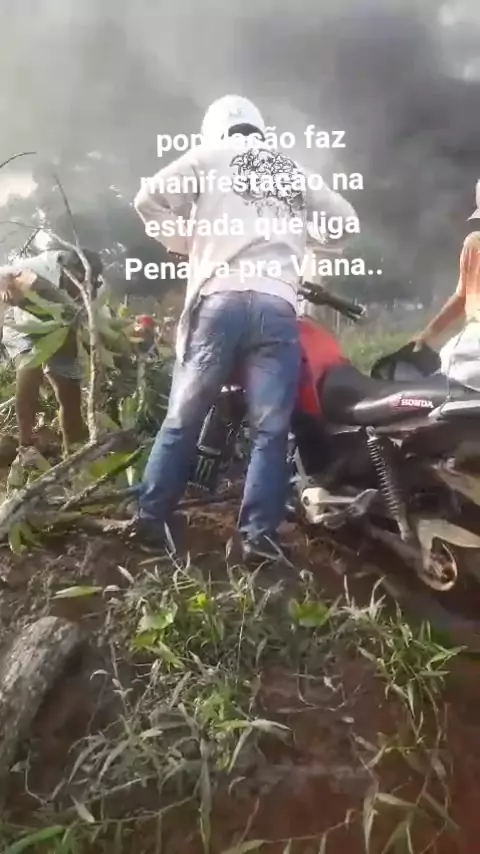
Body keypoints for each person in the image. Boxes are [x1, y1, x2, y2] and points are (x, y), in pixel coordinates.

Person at [132, 94, 357, 562]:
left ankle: (151, 520)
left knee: (183, 418)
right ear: (259, 129)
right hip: (276, 306)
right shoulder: (290, 170)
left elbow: (147, 200)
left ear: (215, 130)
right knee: (271, 429)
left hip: (219, 302)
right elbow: (344, 224)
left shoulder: (207, 155)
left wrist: (189, 242)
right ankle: (257, 538)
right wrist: (302, 239)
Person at [1, 247, 103, 458]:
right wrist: (5, 286)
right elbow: (5, 274)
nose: (81, 285)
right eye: (79, 278)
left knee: (69, 391)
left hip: (62, 329)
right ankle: (25, 446)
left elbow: (90, 322)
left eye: (88, 280)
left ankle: (73, 450)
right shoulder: (39, 267)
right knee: (28, 378)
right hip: (24, 325)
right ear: (68, 269)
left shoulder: (92, 288)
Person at [415, 179, 480, 390]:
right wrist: (427, 335)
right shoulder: (474, 245)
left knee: (450, 361)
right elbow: (462, 297)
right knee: (447, 361)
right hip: (472, 344)